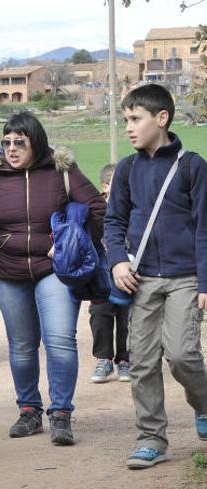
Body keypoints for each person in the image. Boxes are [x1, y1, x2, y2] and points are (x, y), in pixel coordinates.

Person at [0, 111, 105, 446]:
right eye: (7, 142)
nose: (11, 149)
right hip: (8, 273)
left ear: (36, 143)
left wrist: (69, 245)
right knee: (24, 345)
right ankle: (29, 410)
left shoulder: (61, 171)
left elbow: (98, 209)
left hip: (53, 271)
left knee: (59, 339)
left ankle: (61, 414)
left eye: (20, 143)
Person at [104, 84, 207, 469]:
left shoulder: (192, 166)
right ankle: (151, 438)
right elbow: (113, 221)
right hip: (142, 278)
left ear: (161, 119)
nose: (128, 127)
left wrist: (205, 282)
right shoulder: (128, 169)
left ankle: (204, 404)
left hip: (185, 277)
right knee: (142, 362)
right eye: (125, 119)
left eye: (135, 119)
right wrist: (117, 262)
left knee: (181, 354)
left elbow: (204, 228)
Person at [88, 163, 130, 383]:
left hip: (127, 272)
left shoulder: (132, 208)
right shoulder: (95, 211)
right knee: (100, 313)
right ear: (105, 186)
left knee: (127, 316)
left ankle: (125, 360)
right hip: (101, 273)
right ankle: (103, 358)